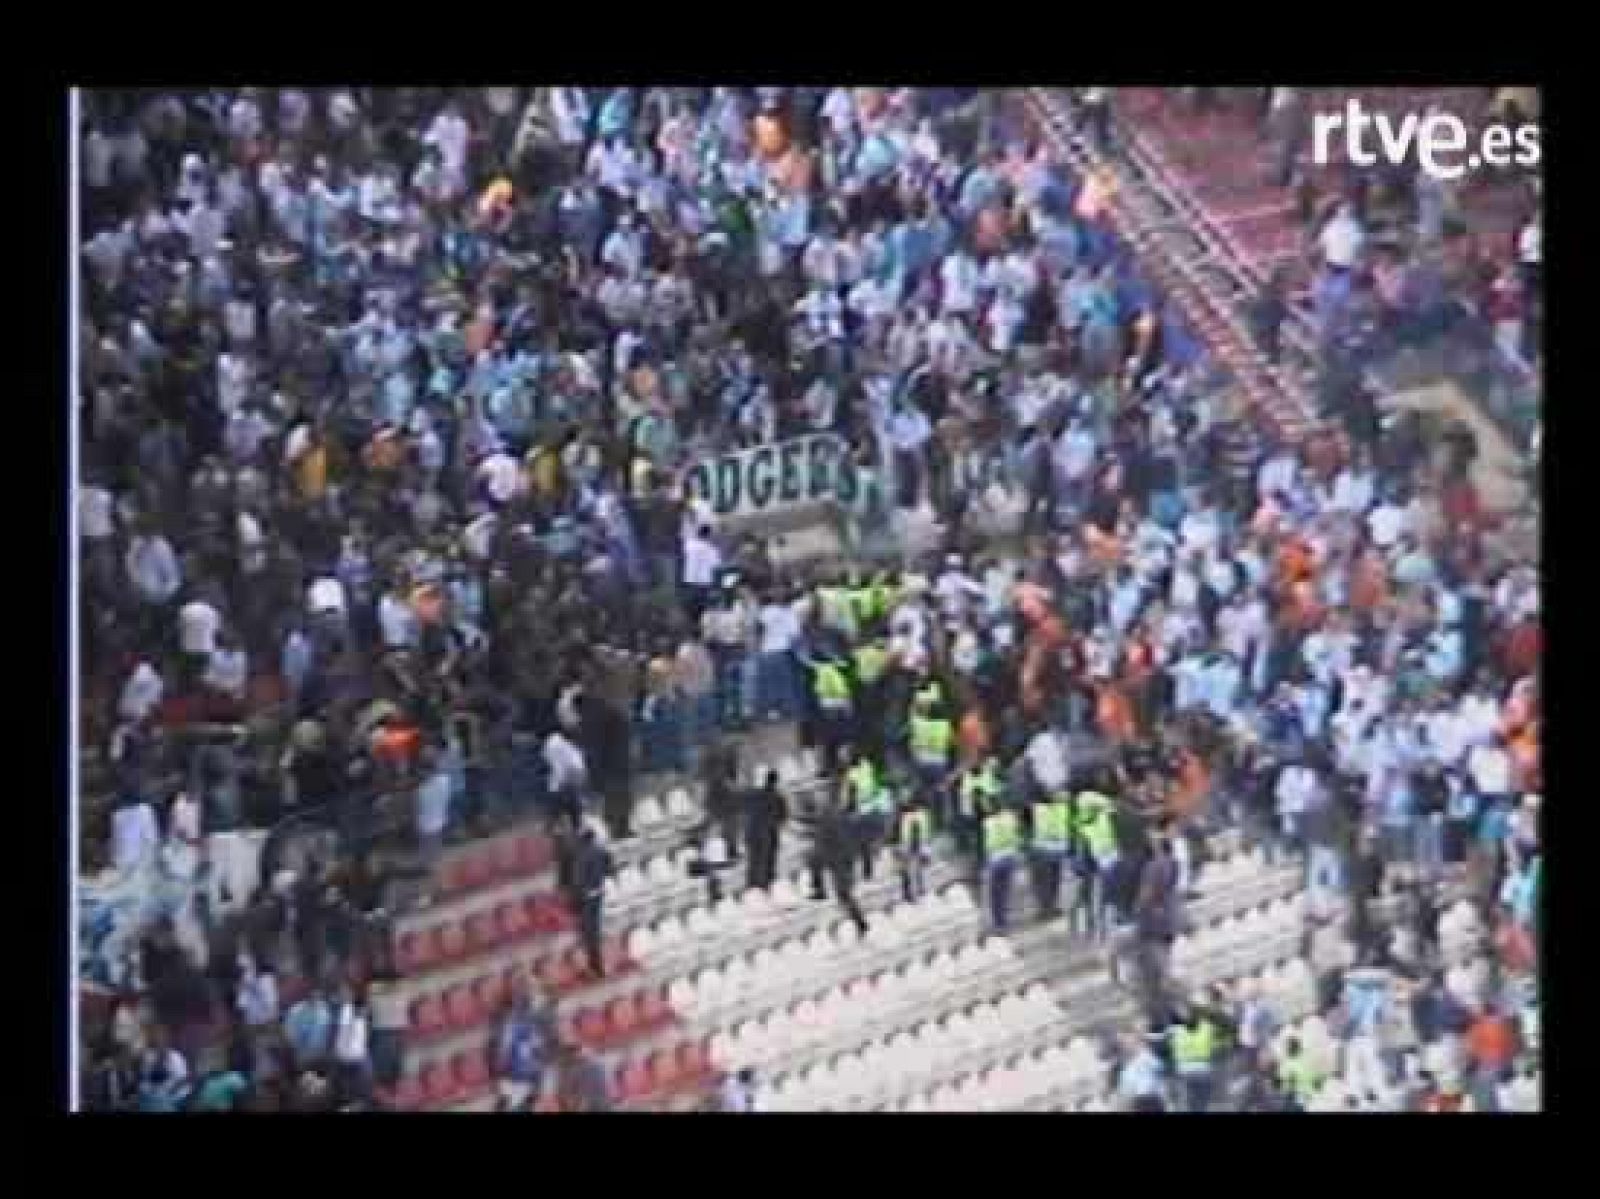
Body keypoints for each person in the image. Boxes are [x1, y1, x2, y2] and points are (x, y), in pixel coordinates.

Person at [806, 795, 869, 934]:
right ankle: (819, 890)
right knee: (814, 864)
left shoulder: (833, 820)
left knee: (843, 892)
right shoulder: (842, 819)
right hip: (836, 856)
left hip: (838, 858)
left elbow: (827, 839)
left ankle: (860, 923)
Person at [572, 823, 612, 979]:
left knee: (590, 934)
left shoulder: (582, 855)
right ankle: (597, 967)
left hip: (587, 896)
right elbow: (609, 868)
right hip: (599, 892)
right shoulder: (600, 851)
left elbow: (578, 879)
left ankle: (596, 968)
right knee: (594, 929)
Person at [743, 768, 788, 891]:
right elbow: (782, 817)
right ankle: (763, 889)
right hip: (767, 835)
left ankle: (754, 890)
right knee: (766, 863)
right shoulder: (777, 797)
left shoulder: (752, 794)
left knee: (755, 863)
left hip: (753, 834)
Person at [980, 803, 1022, 932]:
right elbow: (1017, 835)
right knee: (1005, 891)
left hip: (995, 860)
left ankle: (998, 923)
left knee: (994, 894)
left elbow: (986, 844)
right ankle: (1004, 920)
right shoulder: (1011, 818)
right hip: (1010, 857)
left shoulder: (987, 823)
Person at [895, 793, 934, 903]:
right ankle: (915, 892)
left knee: (916, 870)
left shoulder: (917, 815)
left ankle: (918, 891)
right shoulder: (913, 816)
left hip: (915, 844)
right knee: (912, 870)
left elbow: (923, 831)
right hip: (911, 844)